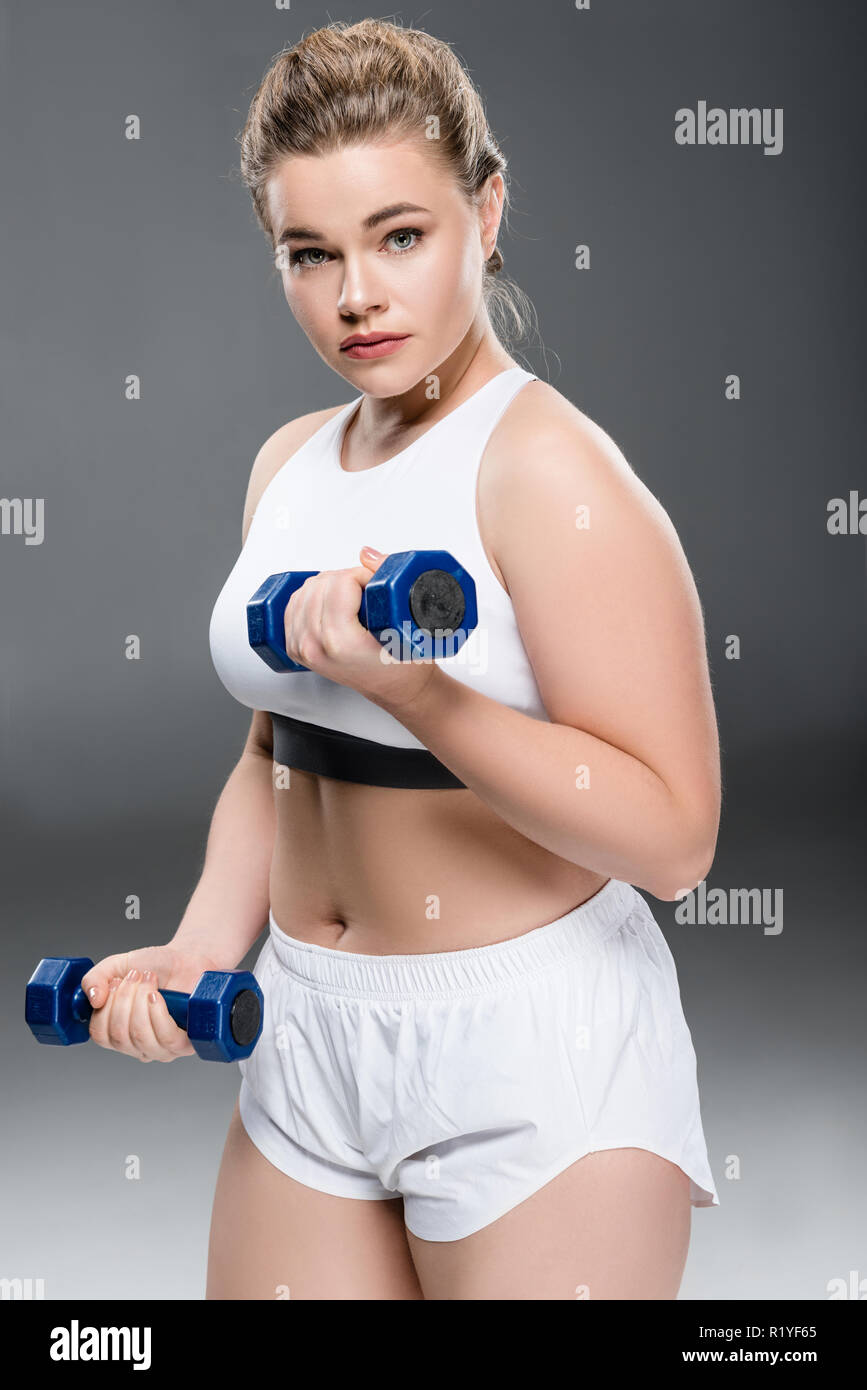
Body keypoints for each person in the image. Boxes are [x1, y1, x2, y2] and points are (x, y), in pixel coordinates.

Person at [81, 17, 721, 1301]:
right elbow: (281, 746)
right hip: (311, 1038)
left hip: (529, 1052)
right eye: (309, 253)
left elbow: (675, 840)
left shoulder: (549, 473)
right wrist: (204, 946)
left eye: (400, 237)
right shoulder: (289, 462)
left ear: (487, 212)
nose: (356, 295)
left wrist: (423, 692)